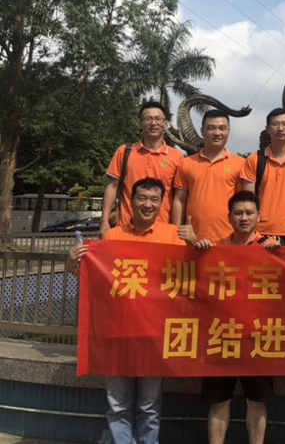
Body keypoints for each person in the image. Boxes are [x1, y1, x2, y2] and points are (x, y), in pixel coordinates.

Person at [68, 177, 197, 444]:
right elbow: (92, 278)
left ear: (161, 203)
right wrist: (71, 262)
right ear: (131, 200)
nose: (148, 204)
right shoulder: (112, 236)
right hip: (118, 335)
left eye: (154, 199)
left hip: (155, 335)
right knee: (118, 406)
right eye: (142, 198)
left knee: (150, 405)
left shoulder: (174, 236)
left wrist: (195, 244)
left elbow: (197, 277)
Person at [194, 191, 280, 444]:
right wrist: (198, 251)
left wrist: (279, 252)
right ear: (229, 216)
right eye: (238, 213)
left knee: (257, 402)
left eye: (249, 213)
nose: (244, 218)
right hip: (222, 335)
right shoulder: (216, 249)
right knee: (219, 401)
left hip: (258, 336)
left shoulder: (271, 247)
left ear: (258, 216)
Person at [100, 101, 183, 237]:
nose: (153, 123)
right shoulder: (124, 152)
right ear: (140, 124)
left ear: (165, 124)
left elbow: (179, 197)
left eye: (158, 119)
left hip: (163, 231)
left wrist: (176, 229)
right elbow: (112, 187)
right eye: (148, 119)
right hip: (125, 229)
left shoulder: (177, 157)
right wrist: (104, 221)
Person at [172, 109, 245, 243]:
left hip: (229, 239)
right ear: (202, 131)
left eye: (222, 128)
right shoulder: (186, 163)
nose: (217, 133)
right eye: (211, 128)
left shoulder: (240, 164)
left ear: (228, 131)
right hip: (192, 238)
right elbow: (179, 200)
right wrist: (176, 233)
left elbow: (244, 203)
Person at [241, 108, 285, 246]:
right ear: (267, 129)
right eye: (275, 124)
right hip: (260, 234)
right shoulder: (255, 159)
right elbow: (248, 201)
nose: (280, 128)